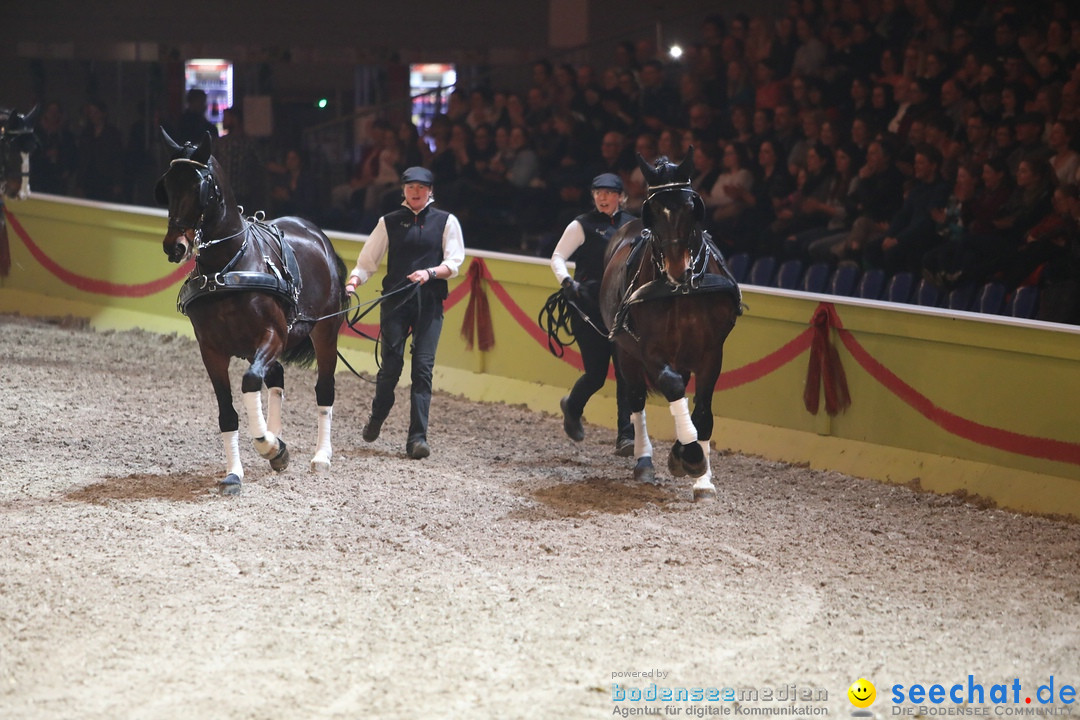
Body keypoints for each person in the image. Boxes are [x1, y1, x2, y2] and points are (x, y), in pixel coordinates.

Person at [344, 167, 466, 460]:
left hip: (430, 302)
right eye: (410, 187)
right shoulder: (388, 222)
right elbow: (367, 261)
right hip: (396, 302)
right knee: (391, 367)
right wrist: (353, 282)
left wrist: (429, 272)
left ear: (430, 191)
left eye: (421, 188)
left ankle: (417, 437)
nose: (415, 192)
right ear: (403, 190)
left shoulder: (446, 221)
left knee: (422, 369)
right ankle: (378, 413)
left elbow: (455, 262)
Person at [549, 173, 635, 456]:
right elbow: (558, 257)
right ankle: (572, 407)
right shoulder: (581, 225)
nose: (602, 197)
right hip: (589, 307)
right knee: (596, 375)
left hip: (623, 308)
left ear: (621, 197)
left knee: (626, 374)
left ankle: (626, 435)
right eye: (598, 192)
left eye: (609, 193)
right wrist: (566, 282)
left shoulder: (634, 226)